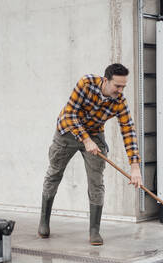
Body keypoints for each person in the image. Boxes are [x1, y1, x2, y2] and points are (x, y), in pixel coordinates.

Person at [39, 63, 142, 246]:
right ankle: (44, 221)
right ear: (105, 80)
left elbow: (128, 131)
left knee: (97, 181)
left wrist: (135, 167)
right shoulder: (86, 83)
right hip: (68, 132)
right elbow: (70, 114)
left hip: (94, 133)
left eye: (123, 87)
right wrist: (85, 140)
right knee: (54, 173)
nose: (120, 90)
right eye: (117, 86)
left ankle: (94, 230)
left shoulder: (119, 102)